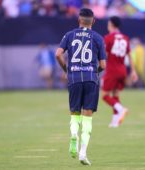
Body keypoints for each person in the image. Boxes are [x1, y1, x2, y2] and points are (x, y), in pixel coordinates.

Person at [55, 8, 106, 165]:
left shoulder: (69, 35)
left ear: (79, 20)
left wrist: (67, 70)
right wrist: (94, 72)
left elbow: (58, 54)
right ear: (94, 21)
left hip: (74, 78)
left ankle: (73, 134)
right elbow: (103, 65)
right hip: (91, 79)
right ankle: (83, 153)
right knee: (88, 117)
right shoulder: (98, 38)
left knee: (74, 113)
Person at [101, 16, 138, 128]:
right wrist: (133, 71)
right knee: (115, 94)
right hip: (122, 70)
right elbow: (129, 56)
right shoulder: (125, 38)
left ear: (111, 24)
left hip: (112, 70)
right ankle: (115, 122)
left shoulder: (108, 38)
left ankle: (121, 109)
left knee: (104, 95)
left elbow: (104, 55)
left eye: (108, 24)